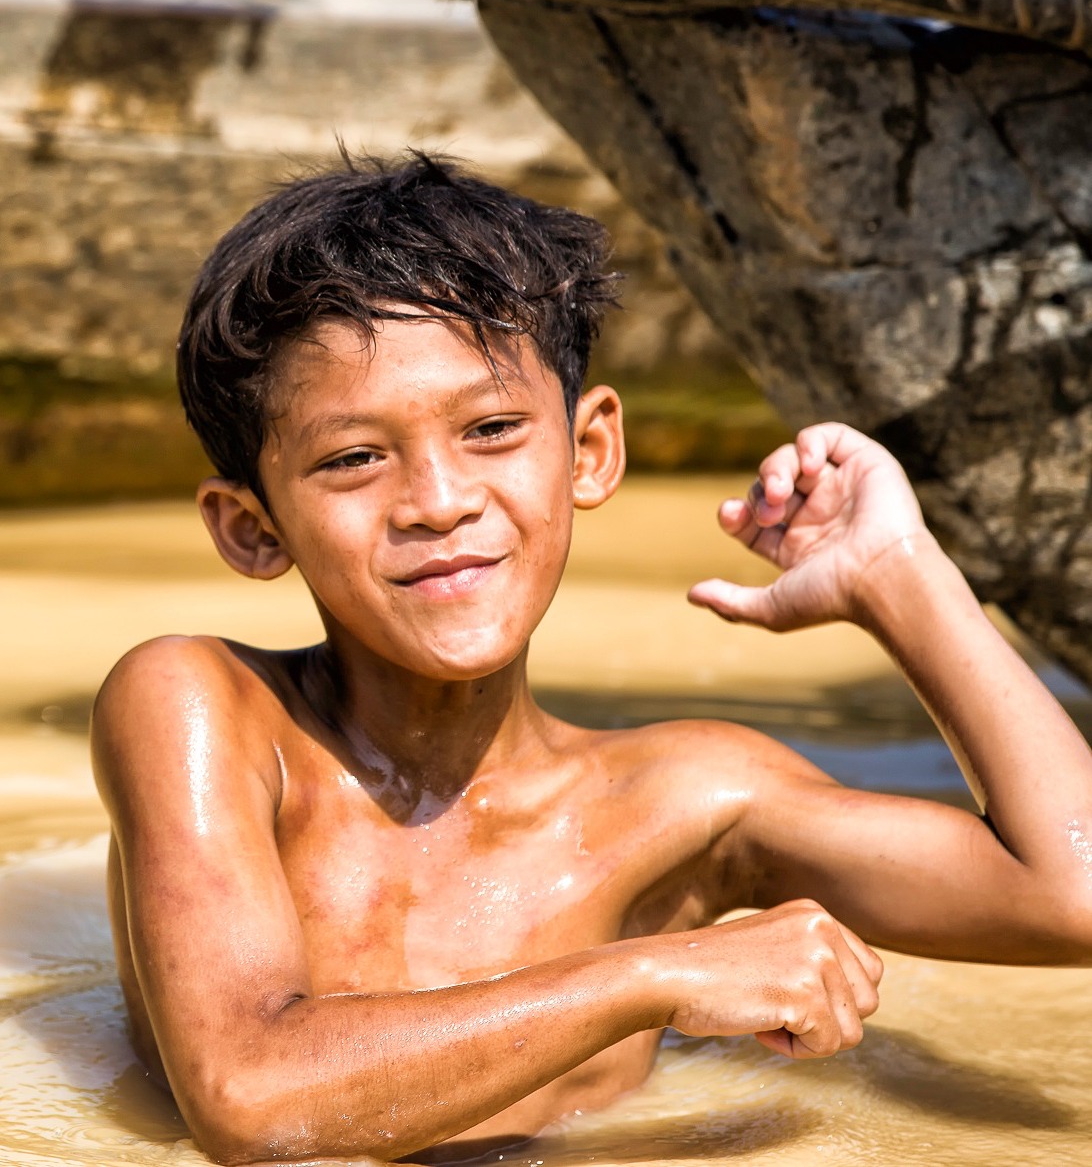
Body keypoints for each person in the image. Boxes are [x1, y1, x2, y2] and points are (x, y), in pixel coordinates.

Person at [91, 154, 1092, 1167]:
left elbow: (1072, 896)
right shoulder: (204, 709)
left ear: (590, 450)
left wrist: (902, 578)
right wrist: (653, 976)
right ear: (253, 529)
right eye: (354, 457)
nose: (438, 500)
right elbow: (254, 1100)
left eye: (491, 430)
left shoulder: (684, 807)